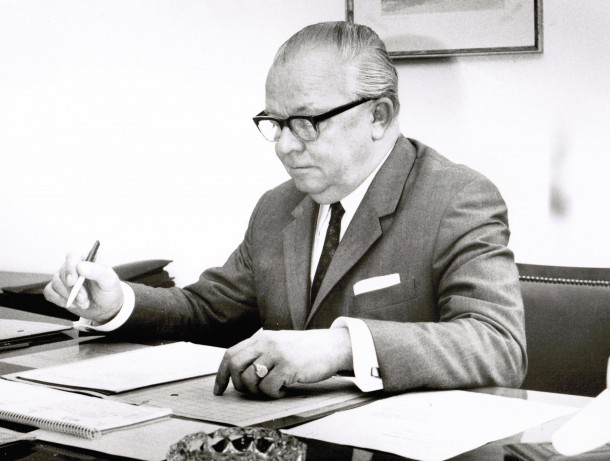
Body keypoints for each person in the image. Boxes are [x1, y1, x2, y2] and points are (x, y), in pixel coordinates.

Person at [44, 21, 527, 399]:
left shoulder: (457, 198)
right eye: (275, 123)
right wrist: (118, 303)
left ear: (378, 116)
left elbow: (499, 345)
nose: (285, 146)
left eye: (306, 122)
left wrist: (342, 346)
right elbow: (208, 311)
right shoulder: (278, 207)